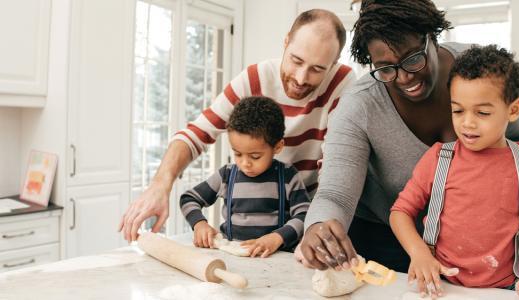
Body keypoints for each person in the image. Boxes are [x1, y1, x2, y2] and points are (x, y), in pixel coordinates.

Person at [299, 0, 519, 273]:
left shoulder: (479, 71)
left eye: (413, 59)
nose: (403, 78)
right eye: (385, 68)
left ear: (431, 37)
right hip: (384, 238)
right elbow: (335, 194)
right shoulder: (359, 106)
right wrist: (318, 226)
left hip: (472, 240)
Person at [119, 9, 356, 242]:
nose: (301, 78)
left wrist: (317, 226)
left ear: (334, 63)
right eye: (296, 61)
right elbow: (197, 133)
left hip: (309, 217)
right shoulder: (255, 78)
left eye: (317, 69)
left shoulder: (342, 84)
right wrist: (160, 185)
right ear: (285, 42)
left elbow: (335, 167)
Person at [390, 45, 519, 300]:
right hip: (442, 285)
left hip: (505, 289)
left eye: (482, 112)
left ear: (513, 110)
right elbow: (400, 212)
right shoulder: (438, 158)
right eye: (458, 110)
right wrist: (419, 253)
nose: (467, 123)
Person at [180, 96, 311, 257]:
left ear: (277, 146)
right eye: (237, 154)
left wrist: (277, 237)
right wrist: (199, 224)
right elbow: (188, 199)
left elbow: (305, 216)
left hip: (275, 259)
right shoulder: (226, 175)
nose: (245, 163)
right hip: (231, 257)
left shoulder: (288, 176)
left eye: (255, 156)